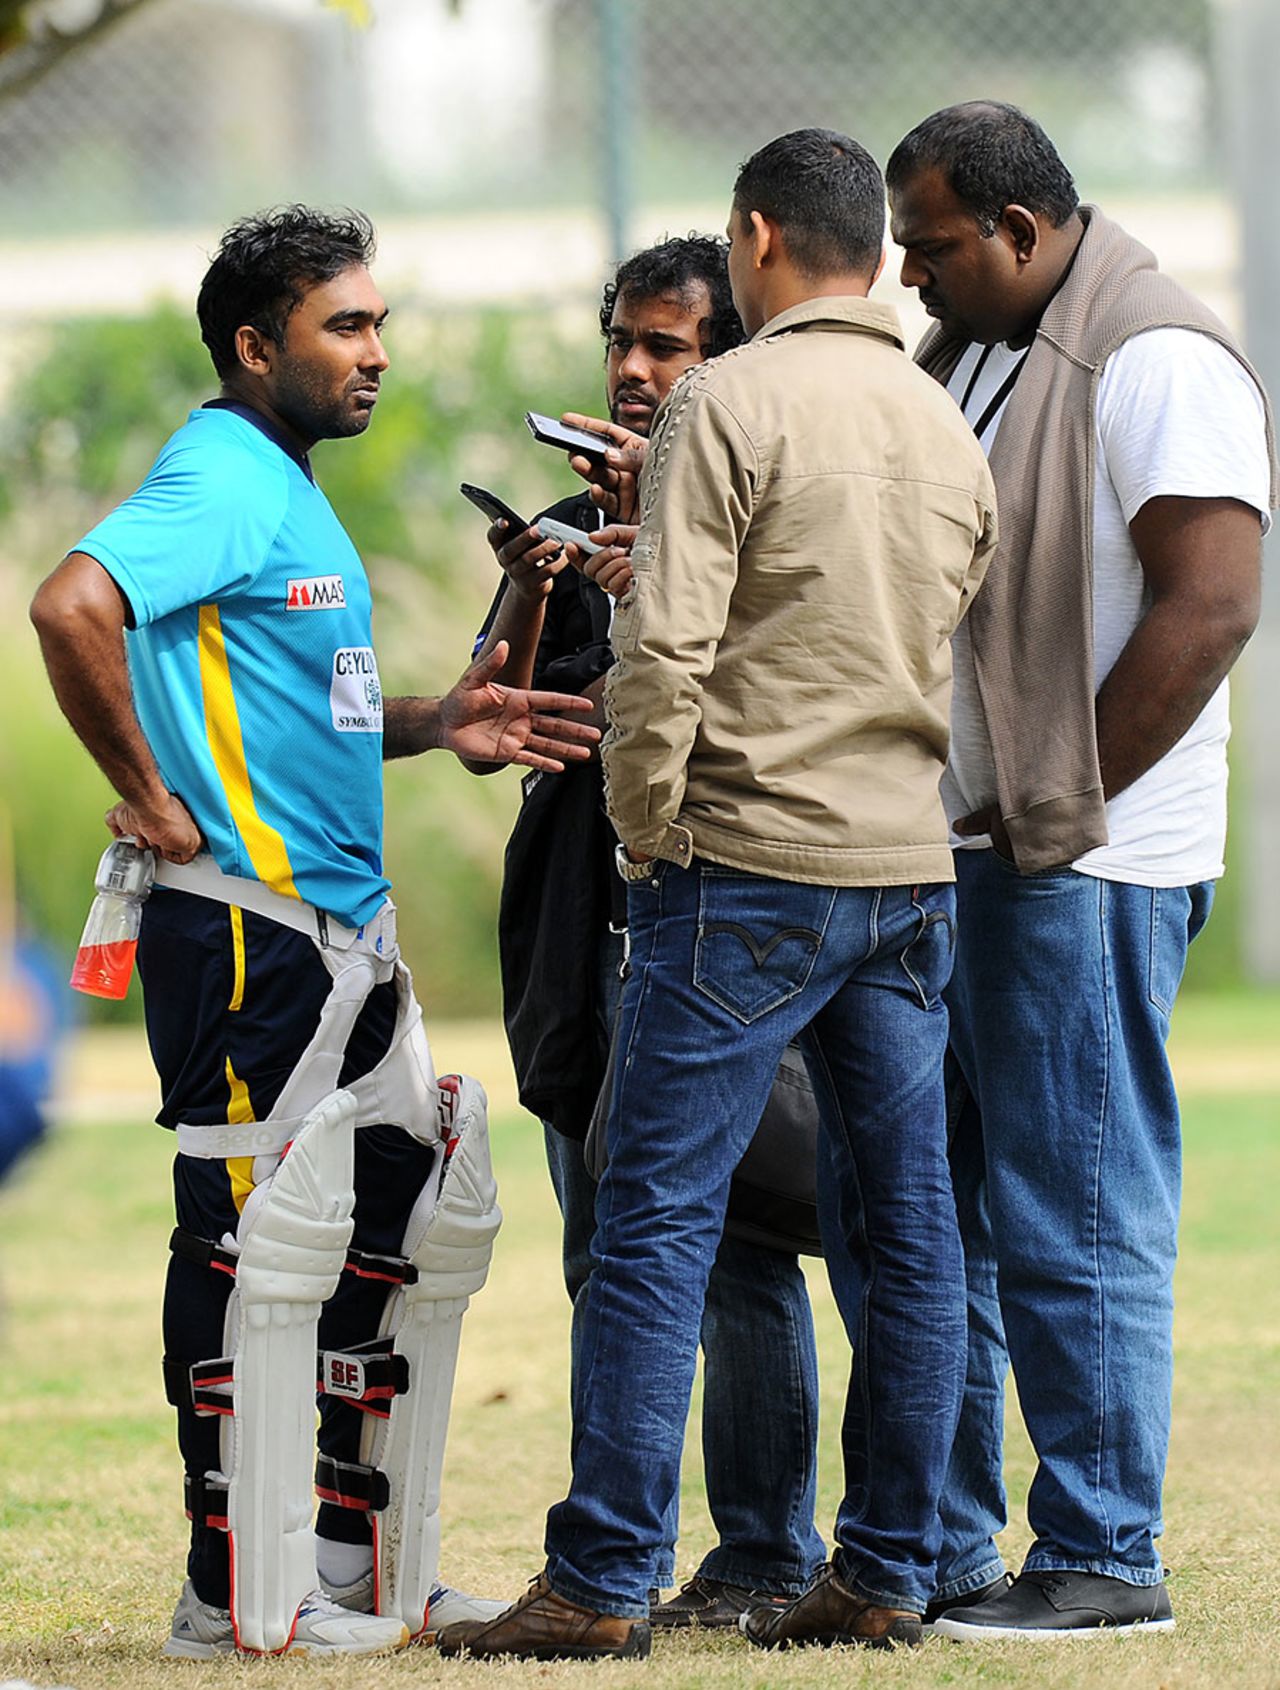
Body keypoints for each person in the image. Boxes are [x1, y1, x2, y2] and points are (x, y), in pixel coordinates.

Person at [437, 127, 997, 1663]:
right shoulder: (943, 422)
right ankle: (887, 1565)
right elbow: (949, 623)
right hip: (905, 871)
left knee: (654, 1221)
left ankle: (600, 1577)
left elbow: (661, 655)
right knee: (913, 1230)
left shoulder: (724, 406)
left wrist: (644, 835)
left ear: (755, 242)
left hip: (738, 867)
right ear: (875, 250)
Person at [28, 205, 598, 1659]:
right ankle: (229, 1594)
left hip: (344, 944)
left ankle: (344, 1567)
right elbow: (70, 605)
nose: (377, 354)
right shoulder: (219, 472)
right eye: (346, 326)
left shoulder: (285, 487)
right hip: (245, 937)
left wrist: (441, 718)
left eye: (380, 324)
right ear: (252, 342)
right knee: (249, 1238)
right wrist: (146, 798)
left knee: (391, 1230)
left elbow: (307, 714)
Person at [885, 102, 1276, 1639]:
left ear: (1024, 233)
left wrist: (1061, 791)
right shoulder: (982, 347)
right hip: (970, 853)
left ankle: (1108, 1551)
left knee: (1079, 1204)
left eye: (932, 247)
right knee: (957, 1211)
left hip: (1087, 865)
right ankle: (961, 1541)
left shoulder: (1156, 357)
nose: (911, 279)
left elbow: (1213, 603)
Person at [466, 235, 826, 1629]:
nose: (630, 367)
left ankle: (762, 1550)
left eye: (668, 346)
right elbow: (490, 726)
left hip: (714, 925)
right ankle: (616, 1548)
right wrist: (541, 570)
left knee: (734, 1249)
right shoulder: (577, 512)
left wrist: (663, 544)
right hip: (579, 933)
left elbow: (754, 696)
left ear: (730, 362)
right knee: (599, 1247)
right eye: (622, 339)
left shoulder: (773, 508)